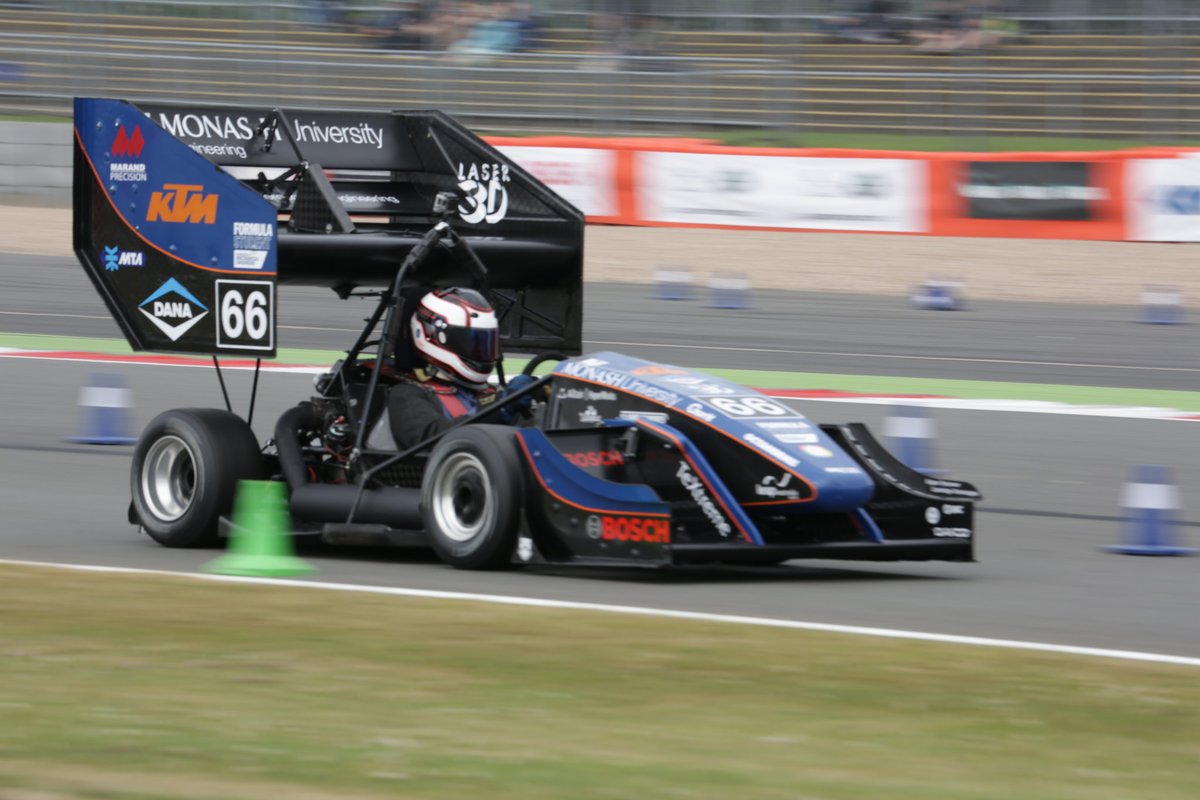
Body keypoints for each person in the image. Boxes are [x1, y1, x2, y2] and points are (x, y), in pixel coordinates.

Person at [376, 287, 534, 451]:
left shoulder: (491, 392)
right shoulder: (407, 394)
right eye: (470, 343)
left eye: (484, 342)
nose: (479, 351)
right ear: (433, 337)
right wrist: (499, 408)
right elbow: (430, 440)